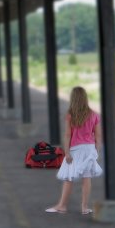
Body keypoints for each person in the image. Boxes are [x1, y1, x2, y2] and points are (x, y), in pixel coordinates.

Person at [45, 86, 103, 215]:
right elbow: (98, 136)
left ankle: (62, 206)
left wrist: (67, 152)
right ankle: (84, 207)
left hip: (75, 149)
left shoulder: (70, 115)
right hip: (89, 149)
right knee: (86, 178)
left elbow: (67, 135)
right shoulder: (94, 115)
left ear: (73, 98)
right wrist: (96, 151)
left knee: (69, 178)